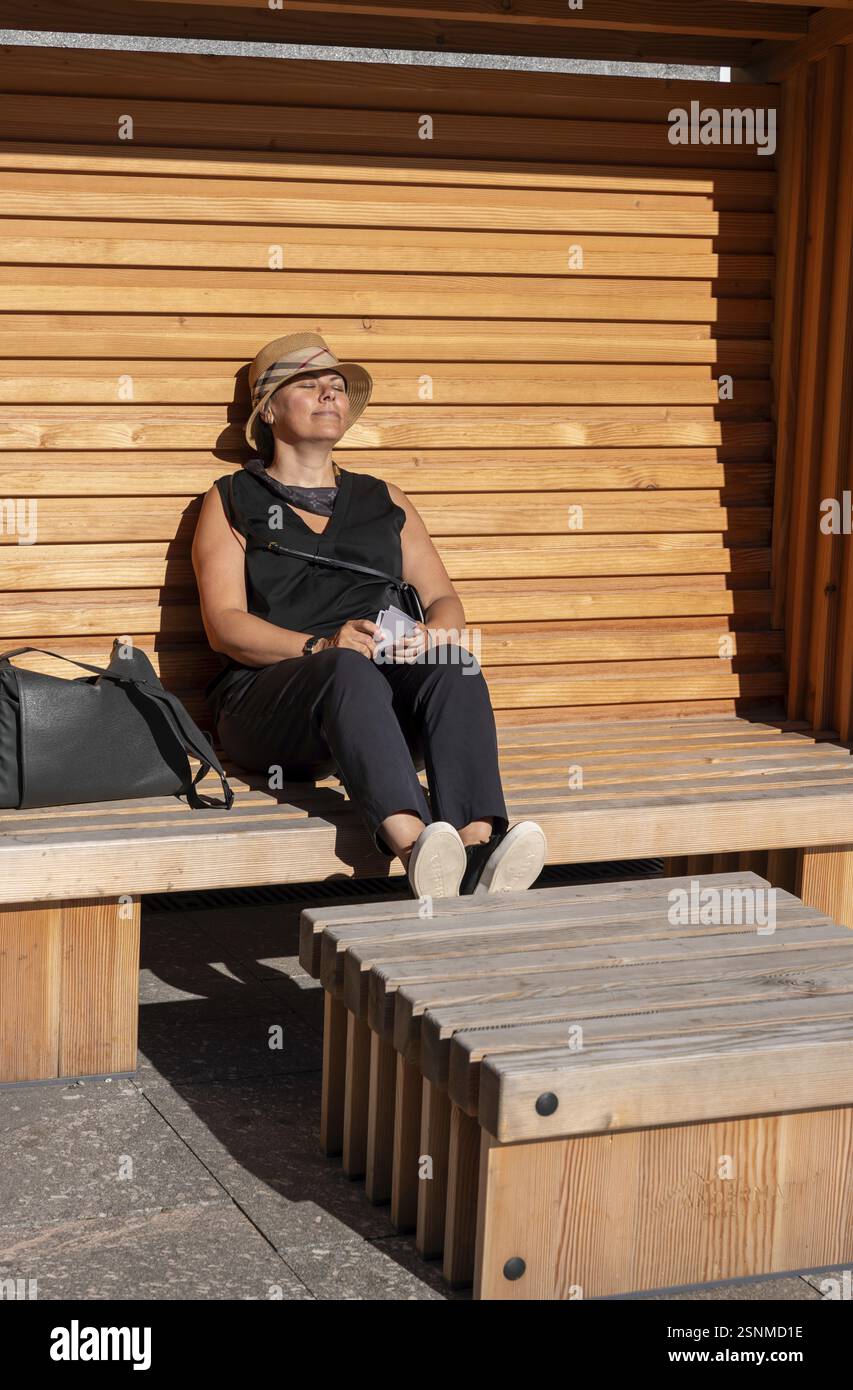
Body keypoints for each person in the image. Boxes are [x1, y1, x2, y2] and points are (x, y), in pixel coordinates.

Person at [191, 331, 546, 899]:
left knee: (455, 663)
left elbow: (445, 601)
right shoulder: (232, 498)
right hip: (271, 706)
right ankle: (417, 846)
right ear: (269, 408)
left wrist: (431, 635)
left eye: (337, 387)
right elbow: (224, 625)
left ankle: (476, 846)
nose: (330, 395)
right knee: (346, 670)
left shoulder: (386, 499)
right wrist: (321, 648)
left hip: (375, 711)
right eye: (309, 385)